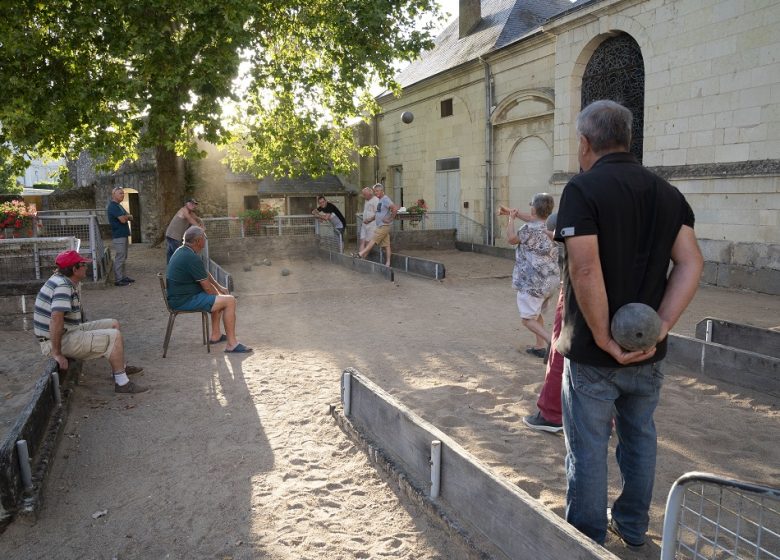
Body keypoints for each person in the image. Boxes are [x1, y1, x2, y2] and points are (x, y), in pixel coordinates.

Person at [556, 100, 703, 548]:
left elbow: (584, 269)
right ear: (628, 139)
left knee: (588, 446)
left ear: (585, 142)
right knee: (640, 439)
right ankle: (634, 527)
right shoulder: (668, 193)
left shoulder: (581, 189)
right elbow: (691, 263)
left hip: (593, 353)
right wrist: (661, 326)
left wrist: (601, 336)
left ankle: (587, 537)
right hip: (647, 353)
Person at [33, 250, 148, 394]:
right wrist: (57, 353)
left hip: (66, 332)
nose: (86, 267)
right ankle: (122, 383)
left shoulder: (60, 279)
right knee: (114, 336)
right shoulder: (63, 286)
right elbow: (56, 319)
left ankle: (120, 368)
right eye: (83, 265)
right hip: (55, 341)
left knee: (114, 324)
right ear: (74, 269)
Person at [167, 226, 253, 353]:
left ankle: (216, 335)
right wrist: (221, 297)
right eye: (204, 238)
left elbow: (204, 273)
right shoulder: (190, 257)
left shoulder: (184, 251)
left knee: (220, 298)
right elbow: (207, 287)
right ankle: (232, 344)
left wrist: (219, 288)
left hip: (181, 296)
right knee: (230, 301)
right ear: (198, 241)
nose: (206, 240)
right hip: (183, 300)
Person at [501, 194, 559, 360]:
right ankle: (539, 346)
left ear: (534, 209)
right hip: (550, 280)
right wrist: (513, 212)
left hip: (533, 282)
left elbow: (512, 239)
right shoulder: (551, 225)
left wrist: (511, 220)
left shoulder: (527, 230)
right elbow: (534, 219)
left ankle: (551, 343)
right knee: (537, 314)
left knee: (527, 319)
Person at [353, 183, 397, 267]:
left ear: (381, 191)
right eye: (375, 191)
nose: (375, 193)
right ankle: (388, 263)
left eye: (377, 191)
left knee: (372, 240)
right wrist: (369, 220)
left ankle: (361, 254)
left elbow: (394, 208)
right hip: (381, 225)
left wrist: (390, 219)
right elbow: (377, 214)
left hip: (383, 226)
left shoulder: (385, 199)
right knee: (387, 245)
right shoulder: (380, 200)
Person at [106, 186, 134, 286]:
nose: (122, 195)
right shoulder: (113, 206)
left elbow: (130, 216)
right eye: (120, 193)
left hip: (123, 234)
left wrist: (126, 217)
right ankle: (118, 279)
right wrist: (127, 217)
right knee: (120, 257)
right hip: (118, 235)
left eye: (123, 193)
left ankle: (123, 277)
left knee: (123, 257)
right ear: (114, 195)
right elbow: (123, 219)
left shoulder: (119, 206)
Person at [165, 198, 204, 263]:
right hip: (173, 236)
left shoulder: (191, 213)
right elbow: (190, 219)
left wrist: (201, 224)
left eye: (195, 204)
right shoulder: (184, 210)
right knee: (178, 254)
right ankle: (177, 269)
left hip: (172, 235)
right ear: (186, 203)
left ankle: (170, 270)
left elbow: (198, 219)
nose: (193, 205)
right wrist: (200, 229)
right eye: (191, 203)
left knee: (171, 254)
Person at [359, 186, 380, 253]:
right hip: (364, 224)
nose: (363, 196)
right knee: (362, 241)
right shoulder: (366, 200)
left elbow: (378, 213)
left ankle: (363, 257)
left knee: (368, 243)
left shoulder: (376, 200)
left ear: (370, 194)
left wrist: (369, 220)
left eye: (365, 194)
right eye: (363, 194)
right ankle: (360, 258)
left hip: (372, 225)